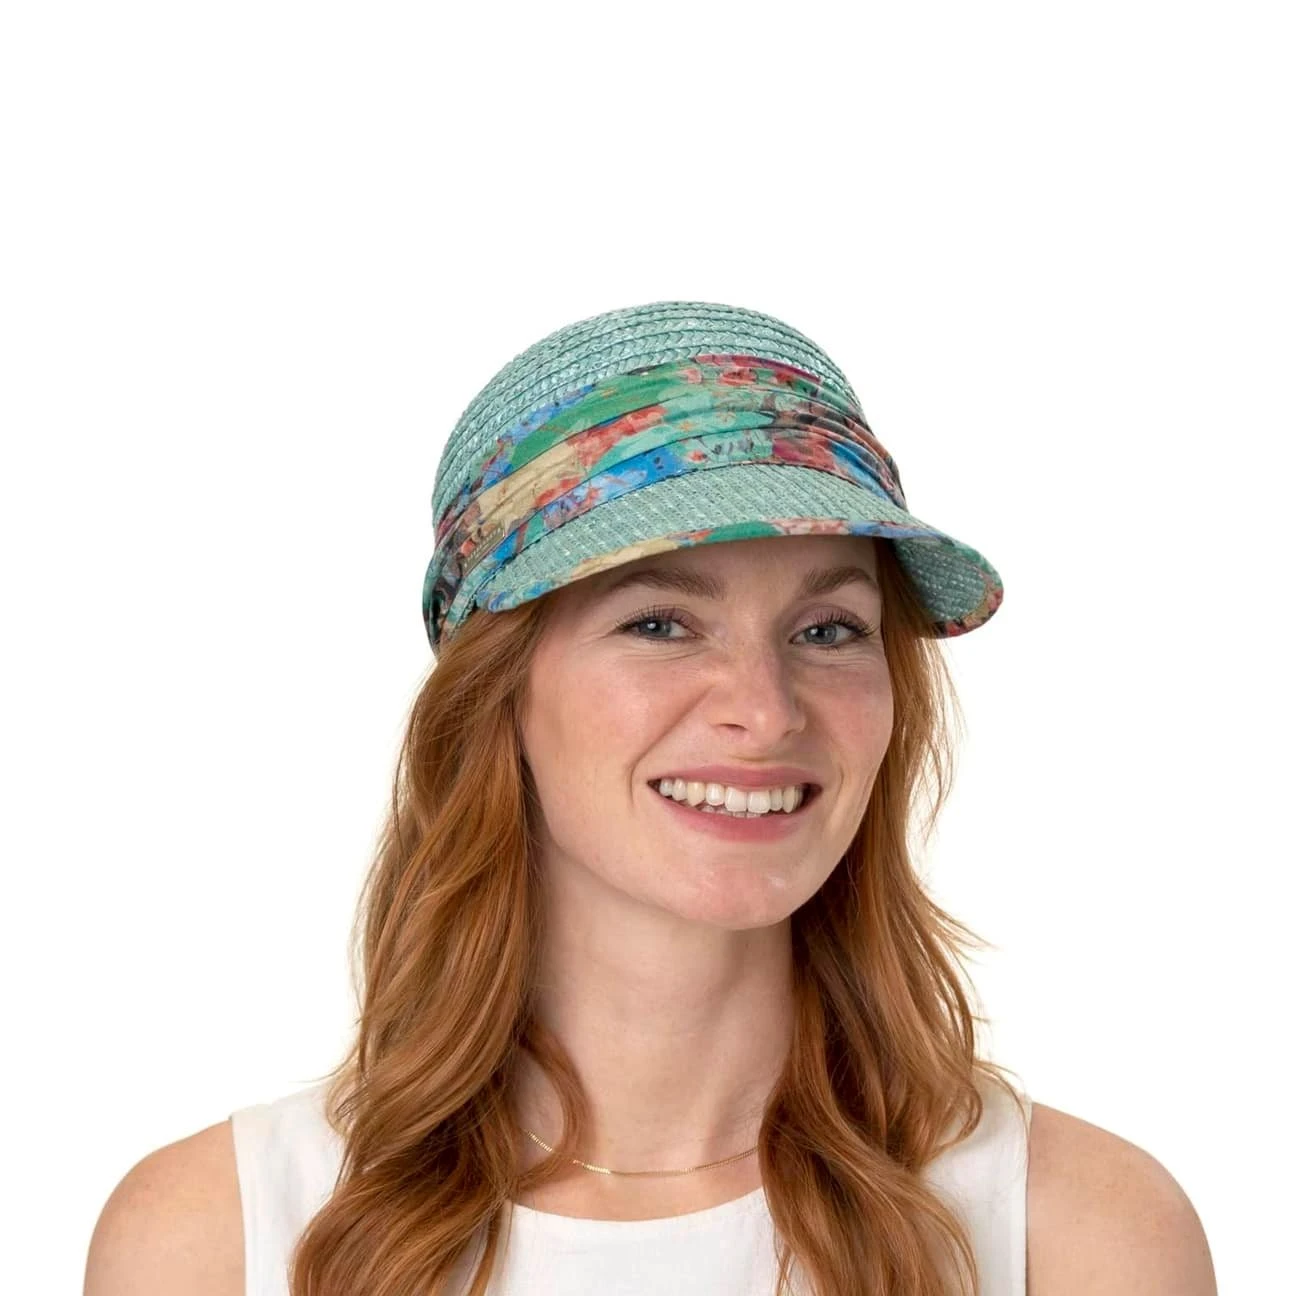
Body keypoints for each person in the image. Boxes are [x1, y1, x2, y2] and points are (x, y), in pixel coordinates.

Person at [84, 300, 1216, 1295]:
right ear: (498, 696)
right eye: (661, 623)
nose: (764, 711)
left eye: (828, 630)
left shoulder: (1078, 1236)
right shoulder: (219, 1241)